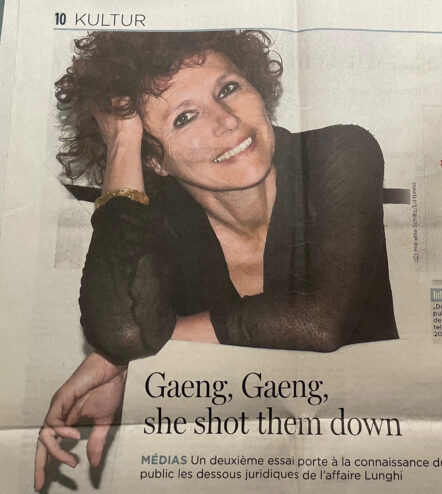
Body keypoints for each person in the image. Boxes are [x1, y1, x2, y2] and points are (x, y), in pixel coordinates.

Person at [34, 30, 398, 490]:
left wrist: (130, 353)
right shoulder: (161, 224)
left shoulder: (338, 153)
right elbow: (123, 331)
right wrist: (124, 140)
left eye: (228, 89)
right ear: (155, 162)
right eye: (185, 117)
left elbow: (320, 323)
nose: (226, 120)